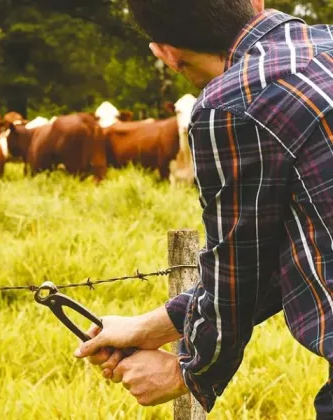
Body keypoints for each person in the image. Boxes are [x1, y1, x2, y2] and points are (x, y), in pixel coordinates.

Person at [73, 1, 333, 418]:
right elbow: (292, 250)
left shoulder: (231, 104)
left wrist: (190, 371)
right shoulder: (327, 45)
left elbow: (240, 265)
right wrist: (153, 325)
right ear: (257, 2)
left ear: (166, 54)